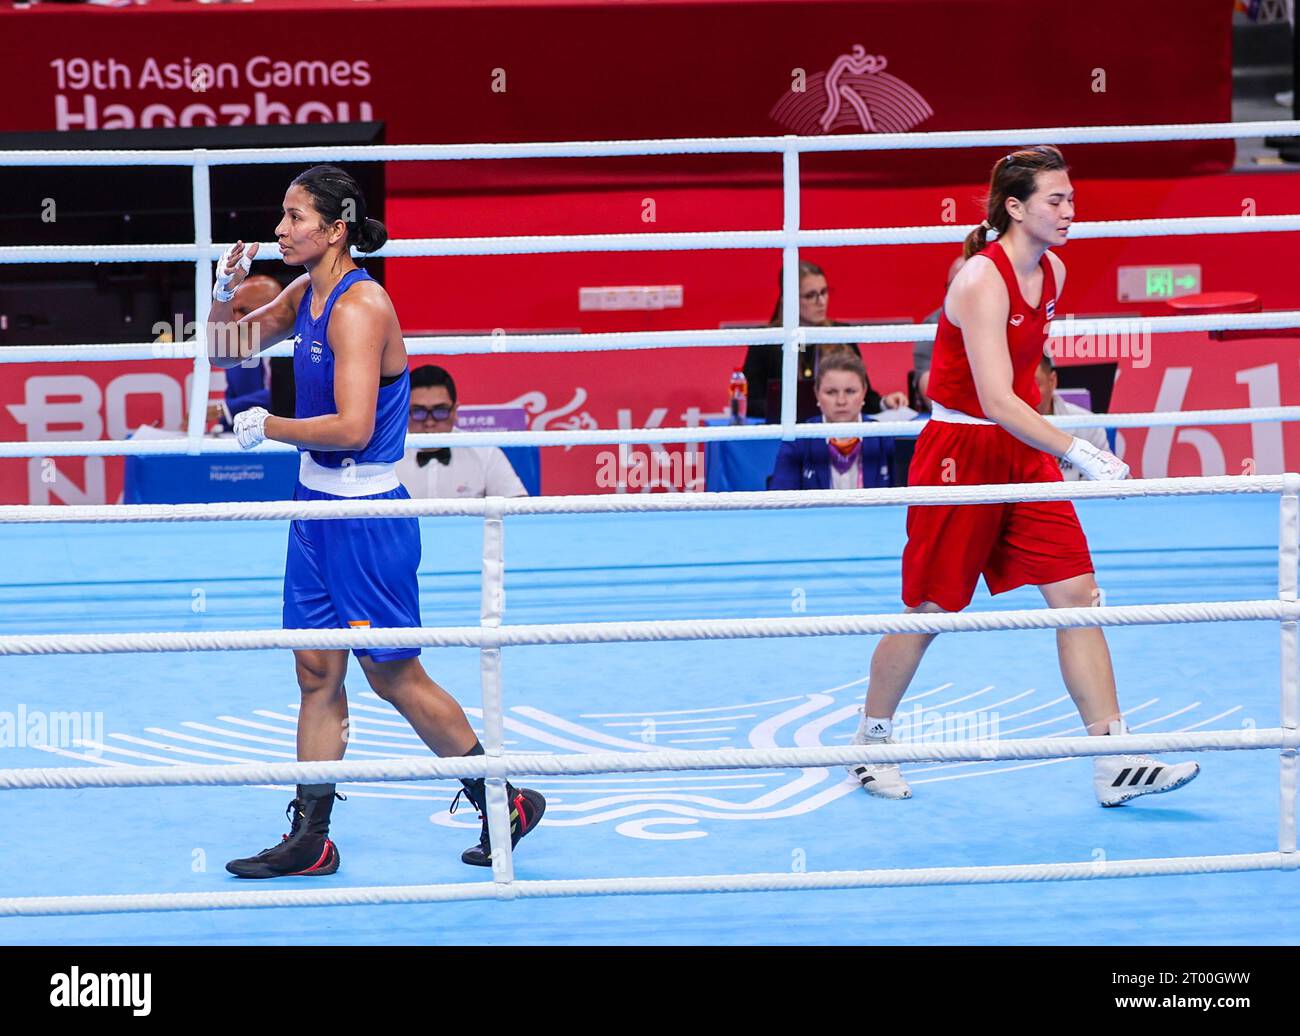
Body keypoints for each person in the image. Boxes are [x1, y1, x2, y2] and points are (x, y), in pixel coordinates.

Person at [206, 164, 544, 877]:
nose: (280, 229)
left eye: (295, 218)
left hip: (364, 516)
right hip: (314, 511)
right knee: (314, 671)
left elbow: (356, 428)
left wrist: (270, 426)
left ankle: (501, 799)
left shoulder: (362, 308)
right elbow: (226, 349)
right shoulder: (306, 292)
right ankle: (312, 838)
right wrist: (220, 296)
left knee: (392, 674)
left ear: (336, 228)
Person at [848, 146, 1199, 807]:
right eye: (1055, 200)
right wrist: (1081, 449)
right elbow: (996, 399)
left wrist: (1060, 444)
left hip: (1021, 452)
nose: (1070, 211)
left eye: (1071, 198)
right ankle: (869, 743)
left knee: (1078, 594)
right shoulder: (980, 280)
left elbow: (1025, 385)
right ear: (1016, 207)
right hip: (961, 453)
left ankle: (1111, 759)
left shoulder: (1056, 271)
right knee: (930, 609)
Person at [742, 260, 906, 420]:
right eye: (811, 295)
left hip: (835, 429)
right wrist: (790, 410)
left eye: (824, 292)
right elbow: (748, 402)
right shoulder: (766, 341)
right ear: (789, 300)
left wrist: (885, 403)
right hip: (787, 429)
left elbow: (865, 396)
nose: (821, 301)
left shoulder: (841, 334)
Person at [394, 364, 528, 499]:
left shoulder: (485, 451)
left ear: (454, 411)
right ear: (404, 411)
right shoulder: (386, 457)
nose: (430, 422)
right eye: (419, 411)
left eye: (440, 410)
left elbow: (518, 507)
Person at [768, 352, 896, 489]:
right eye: (831, 392)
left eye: (850, 391)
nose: (841, 401)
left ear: (864, 392)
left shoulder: (884, 438)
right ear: (816, 393)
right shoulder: (798, 439)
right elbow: (781, 502)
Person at [1034, 352, 1111, 481]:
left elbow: (1104, 480)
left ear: (1052, 381)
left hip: (1075, 500)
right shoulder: (999, 427)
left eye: (1034, 384)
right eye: (1019, 384)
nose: (1025, 392)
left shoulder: (1088, 425)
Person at [914, 255, 967, 410]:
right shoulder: (932, 324)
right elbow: (928, 387)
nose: (963, 291)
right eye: (955, 285)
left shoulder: (1008, 316)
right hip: (957, 415)